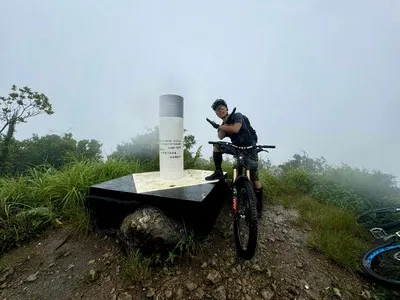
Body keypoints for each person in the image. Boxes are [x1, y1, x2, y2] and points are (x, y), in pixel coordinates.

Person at [205, 99, 263, 214]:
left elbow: (235, 129)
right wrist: (219, 126)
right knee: (217, 146)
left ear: (226, 108)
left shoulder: (237, 116)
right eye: (217, 110)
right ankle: (218, 171)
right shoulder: (223, 124)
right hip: (236, 148)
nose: (219, 111)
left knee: (254, 178)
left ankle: (259, 204)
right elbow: (221, 137)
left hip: (249, 148)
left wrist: (219, 126)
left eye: (221, 108)